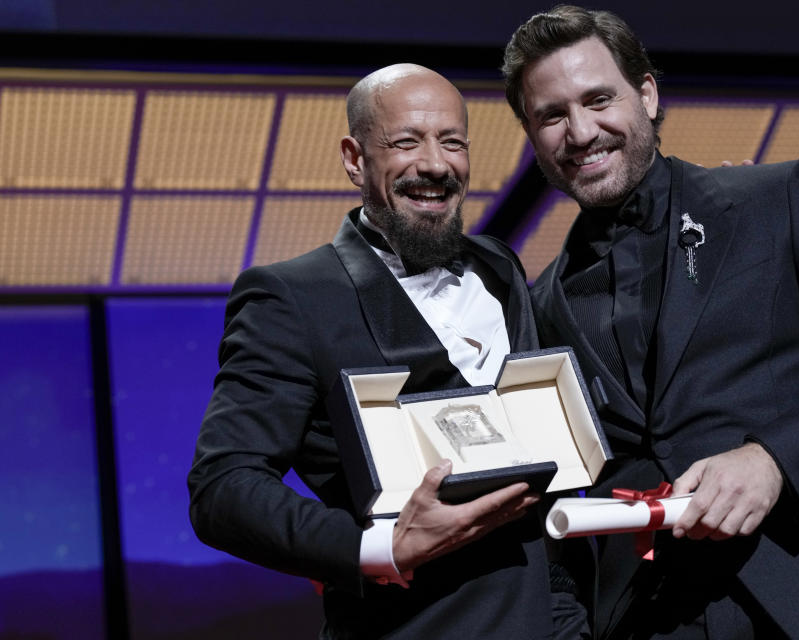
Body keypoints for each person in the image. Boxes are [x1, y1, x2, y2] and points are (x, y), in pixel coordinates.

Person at [502, 6, 799, 639]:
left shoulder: (775, 198)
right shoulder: (542, 303)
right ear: (532, 133)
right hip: (644, 617)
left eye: (598, 99)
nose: (580, 131)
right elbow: (550, 496)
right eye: (552, 115)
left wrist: (773, 460)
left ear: (648, 94)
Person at [188, 63, 563, 639]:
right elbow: (223, 487)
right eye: (406, 142)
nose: (435, 164)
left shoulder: (500, 267)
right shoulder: (293, 295)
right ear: (354, 158)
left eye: (452, 142)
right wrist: (379, 547)